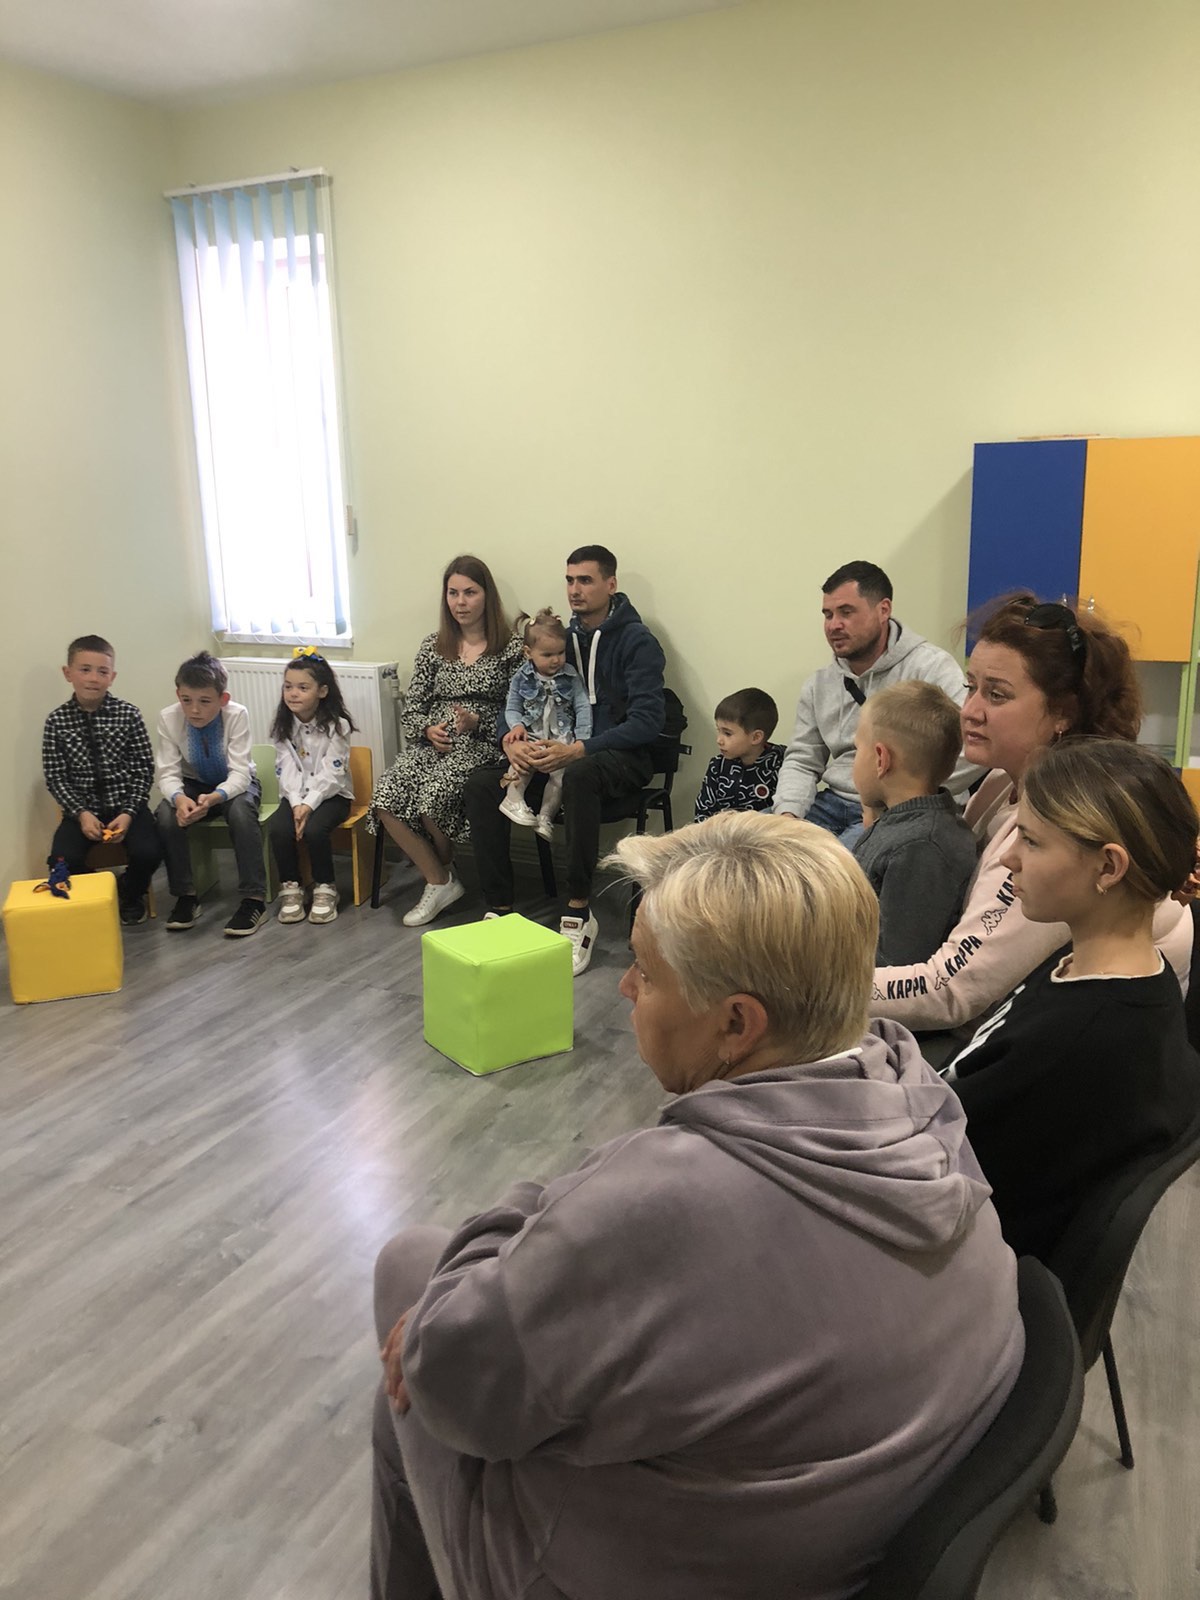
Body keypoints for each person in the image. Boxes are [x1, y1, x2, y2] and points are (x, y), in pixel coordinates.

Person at [368, 813, 1023, 1600]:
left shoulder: (663, 1203)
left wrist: (549, 1199)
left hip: (653, 1566)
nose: (624, 987)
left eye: (645, 972)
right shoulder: (922, 1101)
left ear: (737, 1023)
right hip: (838, 1529)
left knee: (409, 1271)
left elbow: (447, 1382)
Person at [870, 594, 1193, 1034]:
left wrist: (810, 989)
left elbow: (951, 990)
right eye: (970, 687)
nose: (970, 711)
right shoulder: (1000, 780)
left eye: (996, 695)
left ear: (1063, 713)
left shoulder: (1064, 822)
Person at [944, 740, 1200, 1260]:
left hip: (966, 1252)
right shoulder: (1122, 976)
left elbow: (939, 1170)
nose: (1009, 858)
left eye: (1031, 841)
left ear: (1107, 868)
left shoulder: (1076, 1039)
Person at [463, 545, 666, 976]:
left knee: (579, 775)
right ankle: (500, 908)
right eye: (570, 580)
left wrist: (580, 749)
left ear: (611, 584)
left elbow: (648, 722)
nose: (575, 589)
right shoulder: (558, 640)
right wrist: (510, 740)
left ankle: (577, 913)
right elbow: (518, 694)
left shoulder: (638, 642)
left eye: (586, 580)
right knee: (481, 784)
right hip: (556, 750)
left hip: (619, 757)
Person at [774, 561, 978, 845]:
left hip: (901, 810)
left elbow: (970, 748)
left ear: (883, 610)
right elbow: (802, 760)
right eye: (828, 614)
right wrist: (787, 816)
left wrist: (905, 796)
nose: (834, 625)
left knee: (830, 866)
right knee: (747, 847)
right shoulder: (818, 684)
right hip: (831, 804)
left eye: (846, 612)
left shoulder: (932, 668)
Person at [370, 556, 523, 928]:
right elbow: (413, 709)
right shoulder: (433, 646)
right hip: (433, 746)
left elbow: (521, 712)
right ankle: (440, 880)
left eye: (470, 593)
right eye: (453, 593)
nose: (461, 602)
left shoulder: (511, 648)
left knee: (433, 798)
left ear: (487, 596)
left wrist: (477, 721)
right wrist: (428, 730)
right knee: (386, 795)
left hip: (482, 747)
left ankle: (441, 874)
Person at [850, 681, 978, 964]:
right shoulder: (908, 826)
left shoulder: (921, 848)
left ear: (881, 759)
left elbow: (897, 959)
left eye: (856, 749)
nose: (853, 762)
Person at [41, 633, 161, 925]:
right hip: (81, 812)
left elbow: (143, 769)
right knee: (61, 859)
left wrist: (129, 813)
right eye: (85, 669)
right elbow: (56, 777)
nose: (93, 678)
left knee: (151, 852)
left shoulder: (128, 715)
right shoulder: (56, 721)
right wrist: (82, 813)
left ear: (112, 677)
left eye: (102, 671)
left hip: (127, 808)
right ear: (68, 673)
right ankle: (97, 892)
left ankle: (129, 893)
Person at [154, 651, 265, 938]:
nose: (194, 710)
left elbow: (240, 773)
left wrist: (215, 797)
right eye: (186, 700)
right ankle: (186, 896)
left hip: (234, 784)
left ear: (222, 699)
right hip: (193, 785)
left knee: (241, 812)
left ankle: (253, 899)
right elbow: (167, 773)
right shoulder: (168, 718)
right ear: (178, 695)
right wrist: (180, 799)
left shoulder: (236, 715)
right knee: (165, 815)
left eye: (205, 701)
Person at [268, 648, 358, 926]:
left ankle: (325, 887)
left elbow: (333, 773)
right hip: (295, 796)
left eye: (302, 687)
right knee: (279, 829)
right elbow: (285, 770)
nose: (293, 694)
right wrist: (297, 804)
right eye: (288, 687)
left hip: (332, 796)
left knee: (316, 830)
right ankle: (291, 886)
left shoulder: (338, 726)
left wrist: (309, 805)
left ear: (322, 691)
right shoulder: (283, 726)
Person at [498, 609, 592, 841]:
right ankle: (513, 799)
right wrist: (516, 727)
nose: (556, 660)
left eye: (561, 652)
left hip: (561, 738)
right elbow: (512, 707)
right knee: (521, 764)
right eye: (548, 654)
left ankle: (545, 816)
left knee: (560, 776)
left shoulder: (570, 676)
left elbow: (582, 706)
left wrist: (582, 738)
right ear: (528, 652)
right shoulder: (522, 677)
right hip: (532, 734)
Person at [693, 686, 784, 822]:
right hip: (720, 832)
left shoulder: (780, 765)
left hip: (764, 832)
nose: (719, 740)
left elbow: (782, 815)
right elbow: (703, 812)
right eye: (718, 730)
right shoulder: (717, 766)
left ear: (756, 737)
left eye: (727, 733)